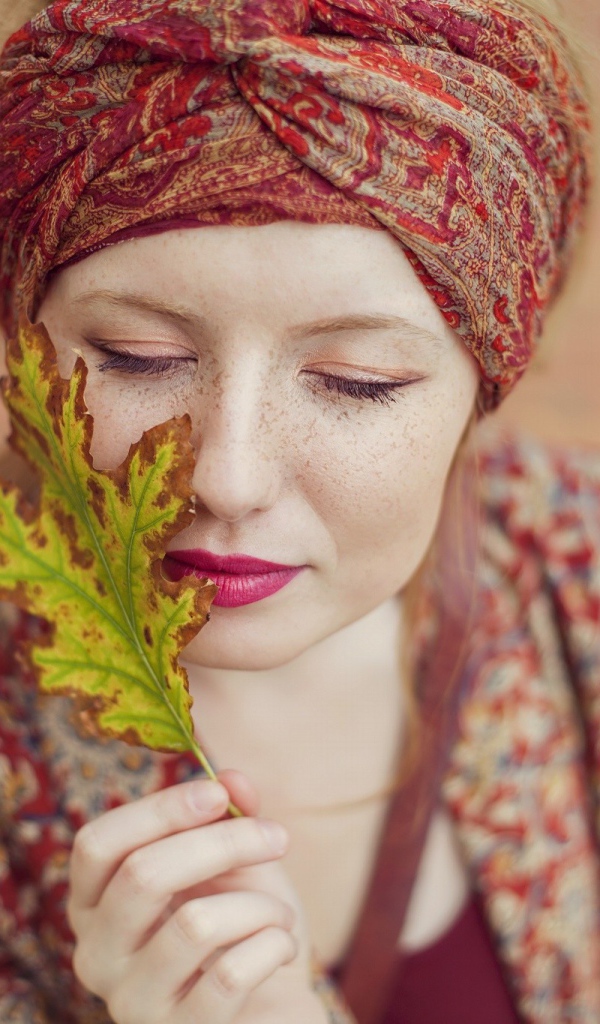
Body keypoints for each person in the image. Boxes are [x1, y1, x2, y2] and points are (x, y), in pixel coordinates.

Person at [0, 1, 598, 1022]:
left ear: (483, 387)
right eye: (143, 359)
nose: (226, 477)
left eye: (355, 381)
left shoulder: (573, 570)